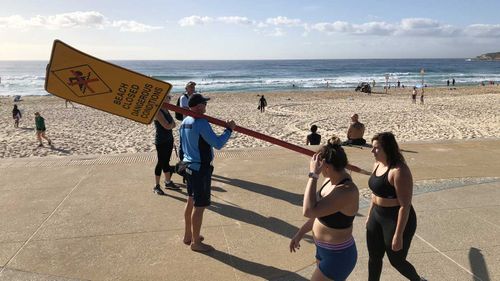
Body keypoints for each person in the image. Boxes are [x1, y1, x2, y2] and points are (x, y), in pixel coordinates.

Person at [290, 136, 359, 281]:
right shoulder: (330, 180)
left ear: (326, 166)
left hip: (338, 256)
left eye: (320, 166)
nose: (319, 170)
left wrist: (313, 175)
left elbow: (308, 211)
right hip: (323, 251)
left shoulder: (346, 190)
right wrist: (300, 233)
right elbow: (318, 216)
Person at [180, 93, 236, 252]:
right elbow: (218, 143)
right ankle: (196, 242)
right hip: (200, 169)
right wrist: (229, 130)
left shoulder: (185, 121)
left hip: (188, 166)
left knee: (190, 201)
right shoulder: (200, 122)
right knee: (200, 206)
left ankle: (188, 235)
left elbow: (182, 146)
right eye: (204, 104)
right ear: (198, 107)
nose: (206, 106)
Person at [366, 132, 425, 281]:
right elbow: (374, 194)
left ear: (387, 148)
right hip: (376, 216)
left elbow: (405, 205)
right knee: (374, 257)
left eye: (376, 148)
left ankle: (417, 279)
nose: (372, 151)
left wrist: (398, 236)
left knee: (396, 260)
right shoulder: (377, 164)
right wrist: (369, 216)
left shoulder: (399, 171)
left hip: (394, 219)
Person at [153, 95, 179, 195]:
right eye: (168, 98)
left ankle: (168, 182)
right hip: (161, 141)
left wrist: (171, 125)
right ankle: (156, 186)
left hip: (169, 139)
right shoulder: (158, 111)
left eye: (169, 98)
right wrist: (171, 125)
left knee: (166, 162)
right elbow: (167, 126)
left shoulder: (166, 110)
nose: (169, 100)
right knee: (160, 162)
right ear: (162, 99)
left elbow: (173, 124)